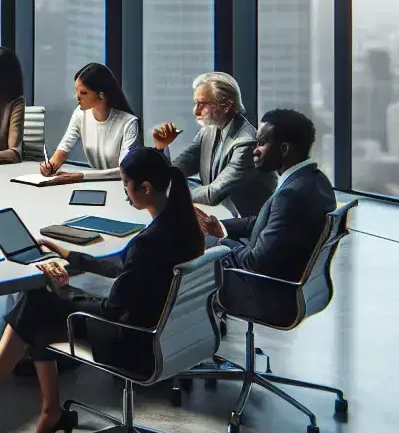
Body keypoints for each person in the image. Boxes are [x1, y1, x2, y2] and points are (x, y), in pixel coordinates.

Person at [0, 146, 205, 433]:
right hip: (165, 336)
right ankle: (42, 411)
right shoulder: (183, 227)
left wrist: (66, 291)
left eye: (126, 185)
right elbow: (126, 269)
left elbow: (113, 310)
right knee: (41, 306)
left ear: (145, 187)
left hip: (133, 343)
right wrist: (68, 255)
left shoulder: (148, 243)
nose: (125, 194)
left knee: (39, 303)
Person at [199, 108, 337, 317]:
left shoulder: (290, 195)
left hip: (269, 296)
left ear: (284, 149)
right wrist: (222, 227)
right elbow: (267, 221)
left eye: (262, 143)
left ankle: (190, 334)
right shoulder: (316, 181)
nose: (255, 150)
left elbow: (256, 263)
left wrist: (222, 244)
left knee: (192, 252)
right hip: (298, 287)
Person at [151, 71, 274, 217]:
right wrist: (161, 147)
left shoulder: (246, 142)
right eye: (195, 103)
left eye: (202, 104)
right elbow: (177, 170)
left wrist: (165, 192)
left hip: (243, 227)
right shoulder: (208, 132)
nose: (195, 111)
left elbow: (212, 194)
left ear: (227, 106)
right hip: (217, 217)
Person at [40, 63, 142, 181]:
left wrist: (82, 175)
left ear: (101, 95)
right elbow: (64, 146)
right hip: (93, 183)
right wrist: (51, 165)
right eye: (77, 91)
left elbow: (125, 170)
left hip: (122, 185)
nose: (77, 97)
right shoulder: (80, 114)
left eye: (83, 93)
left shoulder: (128, 123)